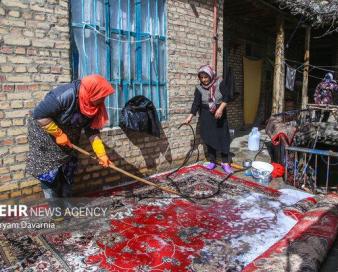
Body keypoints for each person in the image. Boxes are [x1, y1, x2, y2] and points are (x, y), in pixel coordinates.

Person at [26, 74, 114, 220]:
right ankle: (57, 211)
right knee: (50, 174)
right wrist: (58, 134)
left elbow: (92, 131)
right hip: (44, 135)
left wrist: (101, 154)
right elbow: (40, 115)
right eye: (102, 96)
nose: (103, 100)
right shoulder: (65, 95)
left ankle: (68, 204)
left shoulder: (94, 105)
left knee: (68, 170)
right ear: (93, 91)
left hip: (68, 135)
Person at [185, 65, 233, 174]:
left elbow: (227, 97)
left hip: (219, 114)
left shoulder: (219, 82)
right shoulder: (199, 88)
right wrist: (190, 116)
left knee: (223, 138)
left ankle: (225, 162)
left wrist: (220, 109)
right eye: (201, 78)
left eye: (205, 77)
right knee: (209, 137)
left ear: (210, 75)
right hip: (206, 115)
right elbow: (196, 103)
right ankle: (212, 161)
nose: (204, 80)